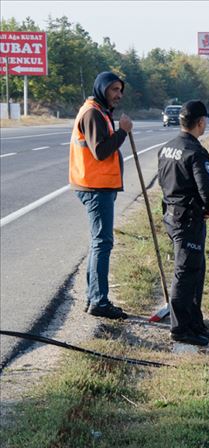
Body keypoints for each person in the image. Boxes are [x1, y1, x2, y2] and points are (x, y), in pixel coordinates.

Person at [69, 71, 133, 319]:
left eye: (120, 90)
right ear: (102, 89)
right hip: (96, 188)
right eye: (114, 89)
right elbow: (101, 151)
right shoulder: (93, 113)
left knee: (99, 243)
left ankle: (93, 298)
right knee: (102, 244)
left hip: (98, 186)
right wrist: (123, 132)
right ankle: (99, 301)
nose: (119, 95)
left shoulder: (99, 111)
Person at [157, 100, 209, 346]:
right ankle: (180, 328)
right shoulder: (196, 152)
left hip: (172, 214)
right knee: (186, 271)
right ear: (200, 122)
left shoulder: (166, 148)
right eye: (205, 121)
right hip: (188, 219)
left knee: (195, 269)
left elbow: (161, 180)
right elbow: (205, 187)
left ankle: (194, 322)